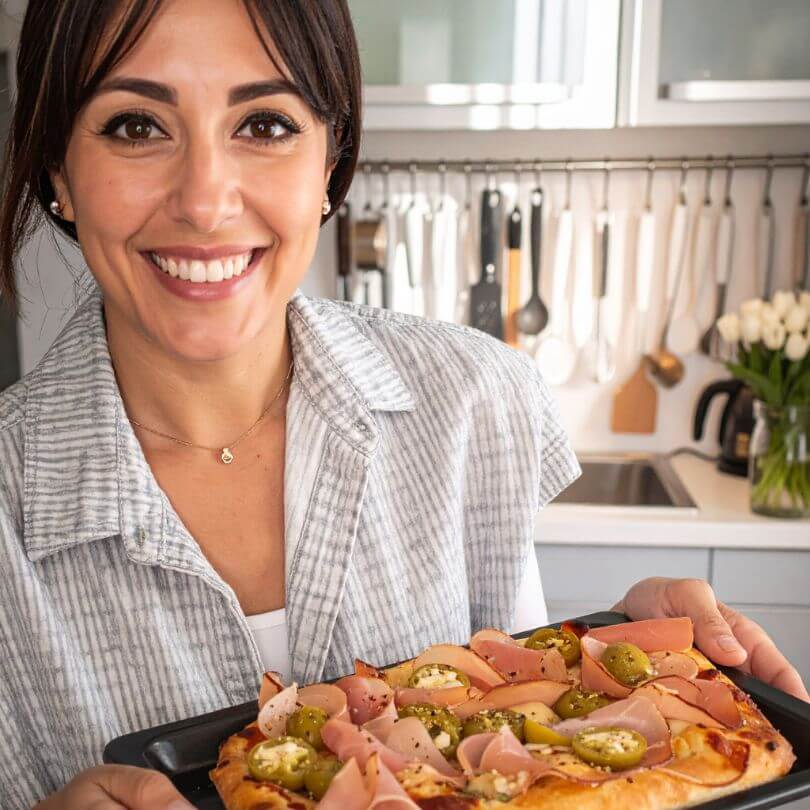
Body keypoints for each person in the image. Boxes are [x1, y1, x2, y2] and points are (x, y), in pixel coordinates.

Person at [0, 1, 805, 808]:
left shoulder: (473, 396)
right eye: (136, 126)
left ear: (329, 163)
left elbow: (520, 711)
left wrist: (633, 664)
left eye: (267, 124)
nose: (206, 202)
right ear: (59, 170)